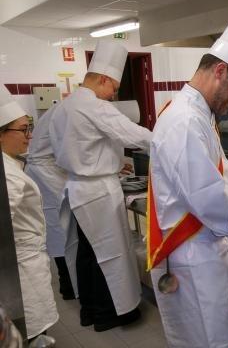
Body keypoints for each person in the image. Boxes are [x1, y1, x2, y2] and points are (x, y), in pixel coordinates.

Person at [148, 9, 228, 348]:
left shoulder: (197, 114)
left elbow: (216, 179)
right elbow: (205, 195)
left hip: (201, 251)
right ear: (220, 71)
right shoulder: (185, 121)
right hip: (192, 257)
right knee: (209, 338)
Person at [49, 41, 152, 332]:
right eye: (114, 88)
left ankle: (90, 311)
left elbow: (84, 145)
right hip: (98, 193)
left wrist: (114, 160)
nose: (113, 95)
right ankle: (110, 315)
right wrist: (171, 140)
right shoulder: (95, 106)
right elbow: (137, 136)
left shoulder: (64, 106)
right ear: (104, 79)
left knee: (86, 251)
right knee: (108, 254)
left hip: (77, 189)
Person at [0, 86, 59, 340]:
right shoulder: (8, 176)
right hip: (23, 272)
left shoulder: (10, 165)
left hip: (23, 264)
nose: (30, 135)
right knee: (33, 332)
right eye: (23, 129)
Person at [25, 103, 74, 300]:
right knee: (61, 232)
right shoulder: (68, 115)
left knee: (57, 232)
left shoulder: (61, 112)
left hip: (48, 175)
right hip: (49, 177)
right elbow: (70, 154)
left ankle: (67, 284)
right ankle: (68, 284)